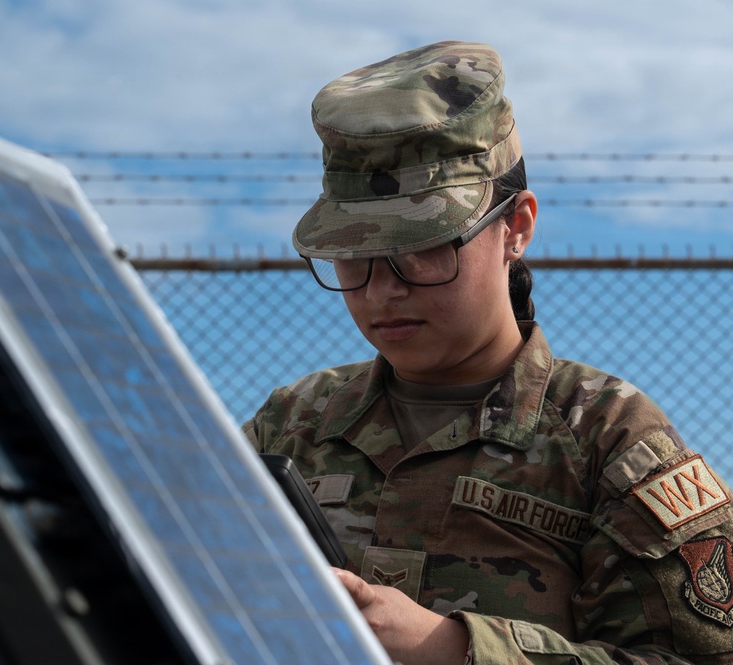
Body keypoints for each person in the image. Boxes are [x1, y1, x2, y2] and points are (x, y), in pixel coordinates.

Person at [242, 41, 733, 664]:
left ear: (517, 228)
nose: (385, 289)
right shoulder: (290, 425)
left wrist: (454, 649)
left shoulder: (607, 439)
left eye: (427, 247)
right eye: (356, 255)